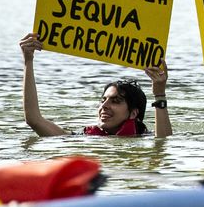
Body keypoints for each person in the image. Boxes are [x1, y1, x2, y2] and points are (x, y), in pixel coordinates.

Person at [19, 32, 172, 138]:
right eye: (103, 100)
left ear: (133, 113)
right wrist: (28, 60)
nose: (104, 105)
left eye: (116, 101)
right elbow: (34, 119)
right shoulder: (83, 137)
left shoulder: (146, 138)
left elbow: (163, 142)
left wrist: (159, 94)